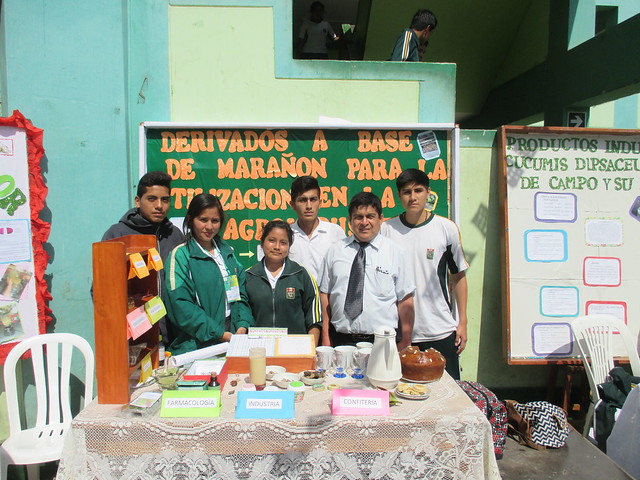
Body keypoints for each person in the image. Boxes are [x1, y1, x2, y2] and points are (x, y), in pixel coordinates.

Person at [381, 169, 469, 380]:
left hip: (438, 328)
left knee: (449, 395)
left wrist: (462, 322)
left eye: (418, 191)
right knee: (398, 394)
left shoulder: (446, 228)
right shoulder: (386, 230)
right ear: (399, 196)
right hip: (399, 332)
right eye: (406, 192)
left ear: (428, 192)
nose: (413, 197)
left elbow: (458, 276)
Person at [319, 191, 415, 348]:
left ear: (380, 219)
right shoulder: (335, 251)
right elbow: (325, 297)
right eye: (358, 217)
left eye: (370, 216)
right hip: (341, 341)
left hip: (382, 342)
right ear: (350, 220)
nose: (364, 222)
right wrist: (326, 338)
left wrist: (406, 340)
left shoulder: (395, 252)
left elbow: (405, 299)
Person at [164, 193, 253, 355]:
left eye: (215, 221)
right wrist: (219, 334)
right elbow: (181, 306)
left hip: (232, 338)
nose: (209, 227)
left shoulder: (227, 253)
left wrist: (242, 324)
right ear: (191, 220)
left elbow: (240, 294)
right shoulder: (181, 255)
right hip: (198, 345)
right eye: (203, 220)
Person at [246, 220, 321, 344]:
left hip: (295, 349)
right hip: (259, 349)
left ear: (289, 246)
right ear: (262, 242)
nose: (277, 247)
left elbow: (314, 319)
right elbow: (243, 317)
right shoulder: (249, 276)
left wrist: (310, 349)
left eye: (283, 243)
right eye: (271, 240)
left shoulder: (301, 275)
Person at [101, 171, 184, 261]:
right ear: (137, 201)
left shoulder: (174, 235)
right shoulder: (117, 234)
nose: (159, 205)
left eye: (165, 200)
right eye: (151, 199)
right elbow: (105, 271)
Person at [288, 175, 345, 280]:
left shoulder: (335, 232)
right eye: (303, 200)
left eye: (313, 199)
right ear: (292, 205)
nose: (309, 206)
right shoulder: (287, 234)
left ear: (320, 203)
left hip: (328, 295)